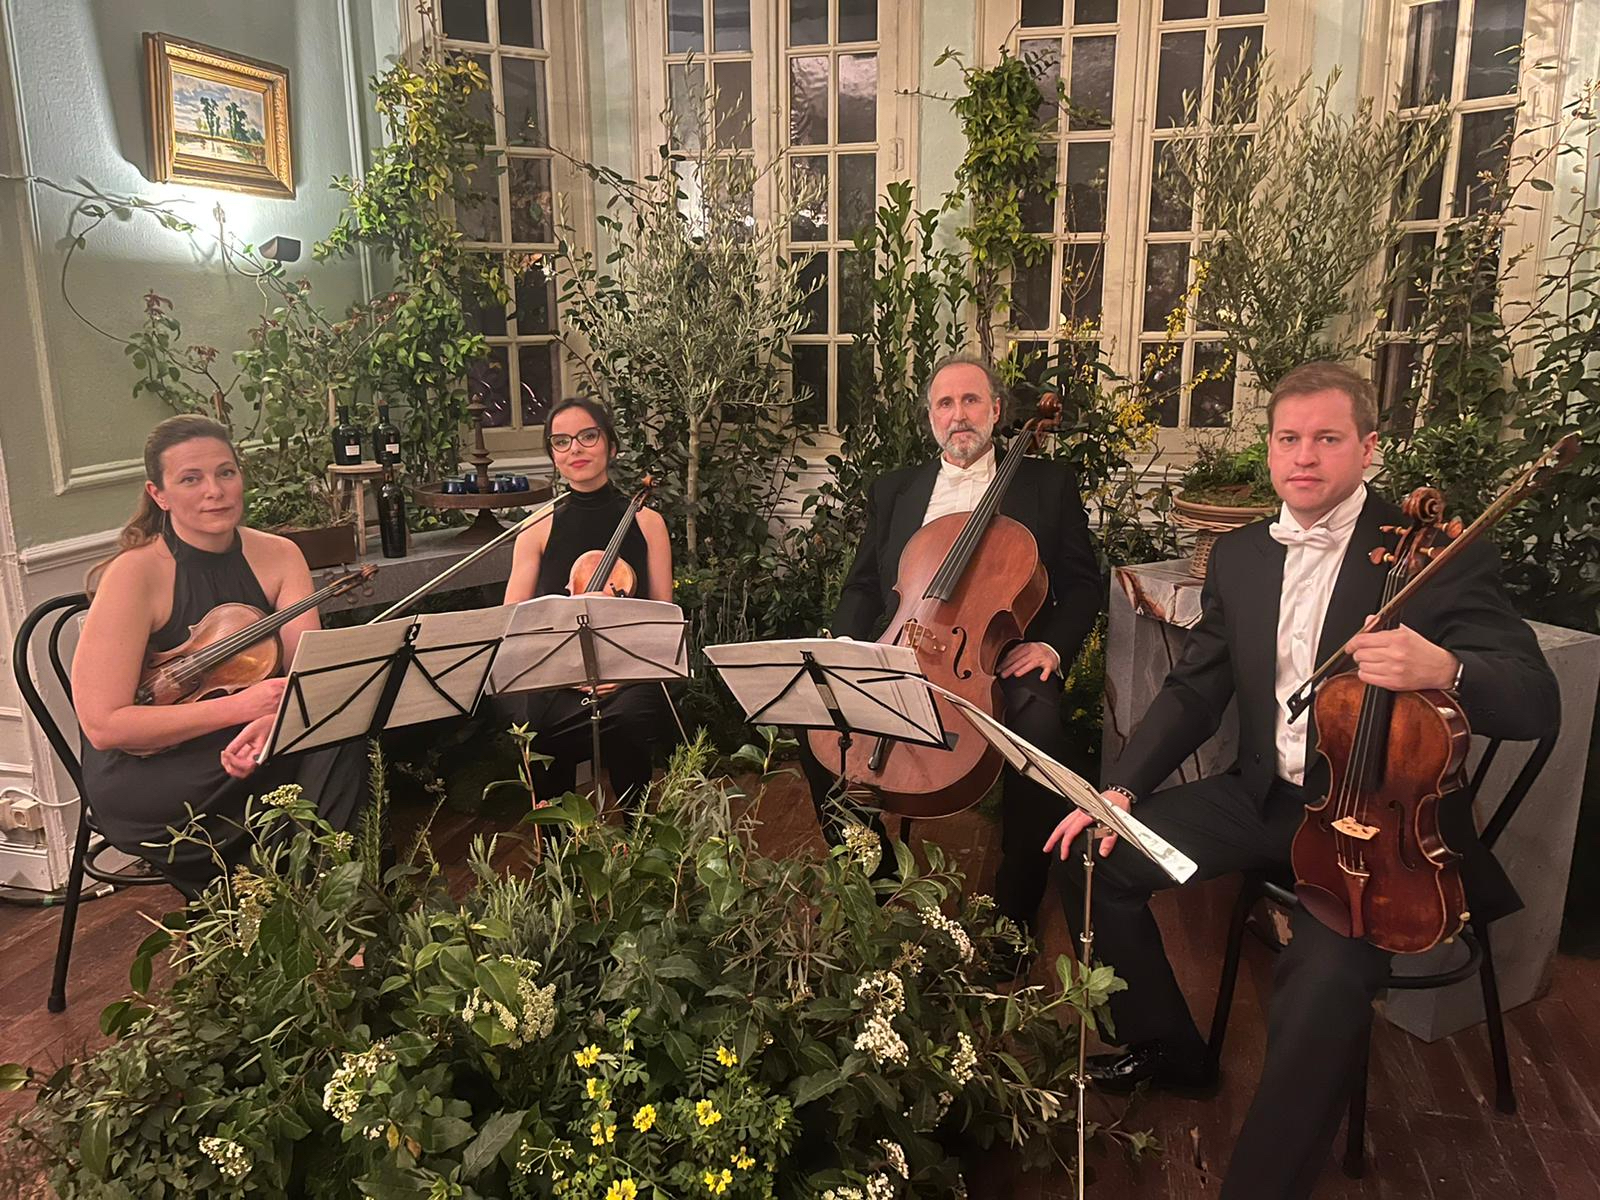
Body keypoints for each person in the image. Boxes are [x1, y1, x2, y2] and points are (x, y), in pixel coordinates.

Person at [1045, 361, 1560, 1199]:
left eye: (1327, 438)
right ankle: (1171, 1051)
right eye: (1289, 438)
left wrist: (1449, 668)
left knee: (1321, 983)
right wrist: (1122, 789)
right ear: (1270, 448)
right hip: (1261, 797)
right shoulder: (1243, 555)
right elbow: (1196, 690)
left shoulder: (1434, 556)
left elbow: (1536, 699)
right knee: (1091, 854)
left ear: (1369, 448)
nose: (1304, 456)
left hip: (1376, 825)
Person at [801, 351, 1103, 940]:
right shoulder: (895, 490)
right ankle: (877, 882)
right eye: (945, 403)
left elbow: (1083, 584)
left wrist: (1052, 648)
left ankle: (1014, 911)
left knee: (1039, 735)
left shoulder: (1047, 485)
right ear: (931, 417)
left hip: (998, 654)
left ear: (996, 410)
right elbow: (863, 586)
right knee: (816, 721)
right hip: (903, 643)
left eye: (970, 400)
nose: (958, 414)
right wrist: (845, 642)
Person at [73, 415, 369, 899]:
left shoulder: (280, 555)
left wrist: (273, 721)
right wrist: (243, 708)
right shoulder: (135, 574)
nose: (215, 490)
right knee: (328, 752)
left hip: (256, 739)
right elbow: (105, 726)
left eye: (225, 472)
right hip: (154, 769)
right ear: (158, 494)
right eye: (191, 479)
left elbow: (308, 676)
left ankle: (310, 905)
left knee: (343, 730)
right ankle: (312, 906)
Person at [501, 396, 675, 805]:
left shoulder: (648, 523)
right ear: (553, 455)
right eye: (561, 441)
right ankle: (557, 835)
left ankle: (637, 828)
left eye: (588, 436)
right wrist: (562, 671)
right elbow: (511, 621)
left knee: (632, 715)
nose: (575, 449)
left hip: (628, 677)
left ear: (611, 446)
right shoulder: (537, 527)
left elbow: (664, 621)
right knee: (532, 723)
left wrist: (626, 673)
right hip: (553, 680)